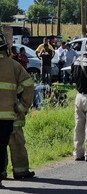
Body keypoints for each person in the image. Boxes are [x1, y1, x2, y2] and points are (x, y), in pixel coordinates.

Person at [0, 33, 35, 187]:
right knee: (16, 144)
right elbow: (29, 84)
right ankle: (21, 171)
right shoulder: (13, 65)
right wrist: (23, 106)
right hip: (11, 115)